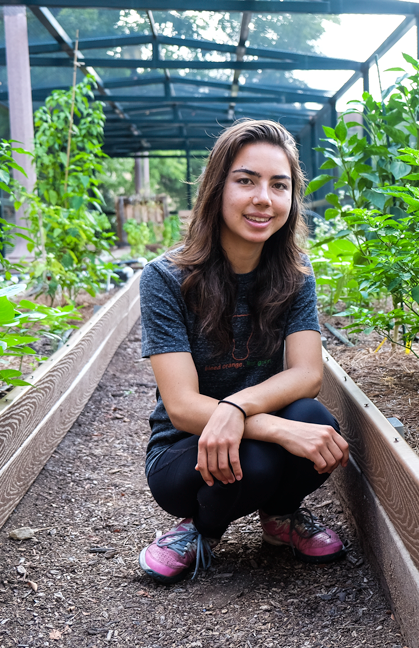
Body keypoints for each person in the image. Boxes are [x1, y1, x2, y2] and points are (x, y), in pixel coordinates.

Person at [137, 119, 350, 584]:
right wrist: (270, 426)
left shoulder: (295, 275)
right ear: (217, 187)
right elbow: (181, 405)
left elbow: (307, 375)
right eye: (246, 181)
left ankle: (279, 518)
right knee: (256, 455)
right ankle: (200, 529)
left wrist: (238, 408)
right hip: (183, 452)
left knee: (316, 421)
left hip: (243, 427)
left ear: (292, 199)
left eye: (280, 185)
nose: (263, 199)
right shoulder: (166, 278)